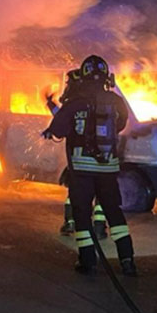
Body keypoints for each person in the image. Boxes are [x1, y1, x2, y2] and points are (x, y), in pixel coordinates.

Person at [42, 55, 136, 276]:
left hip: (82, 170)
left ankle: (88, 261)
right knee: (114, 213)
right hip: (108, 168)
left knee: (82, 214)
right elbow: (120, 126)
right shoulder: (116, 101)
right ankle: (128, 260)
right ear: (106, 77)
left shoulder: (75, 103)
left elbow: (58, 130)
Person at [46, 68, 107, 239]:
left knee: (75, 190)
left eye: (69, 82)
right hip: (103, 158)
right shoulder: (102, 101)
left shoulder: (75, 102)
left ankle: (71, 223)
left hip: (80, 158)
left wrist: (51, 125)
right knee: (100, 191)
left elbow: (62, 121)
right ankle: (100, 227)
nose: (67, 85)